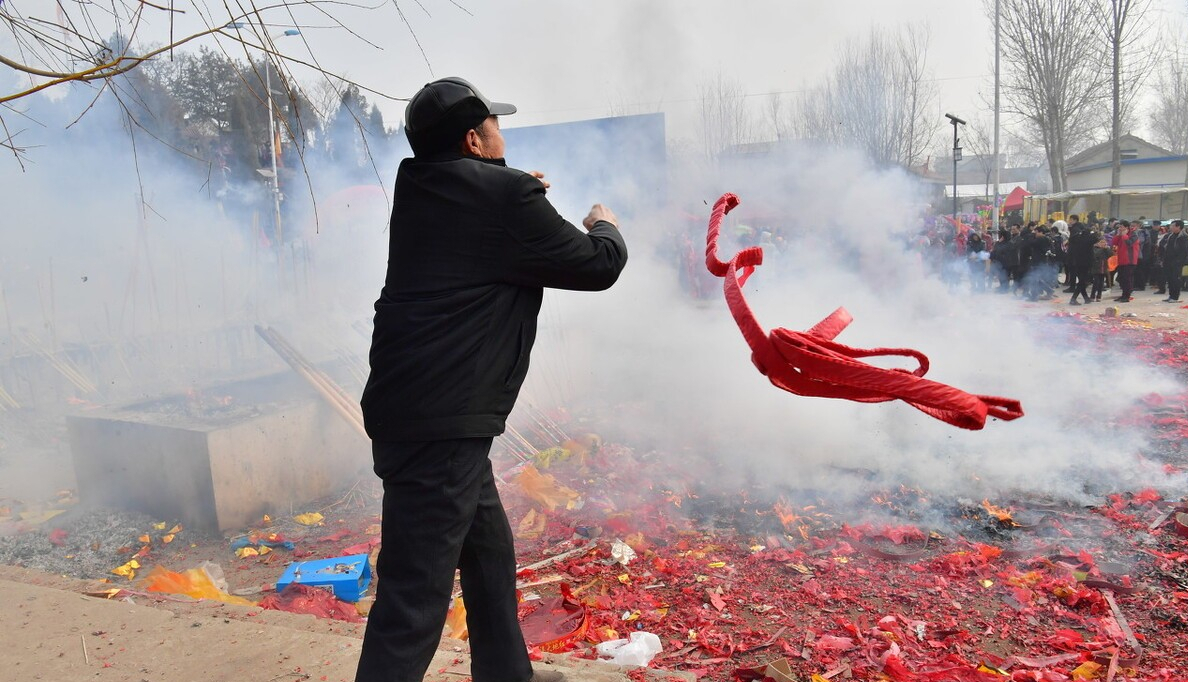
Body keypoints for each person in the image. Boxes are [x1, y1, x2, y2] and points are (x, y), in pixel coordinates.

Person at [356, 77, 628, 682]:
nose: (504, 134)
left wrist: (515, 189)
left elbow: (479, 217)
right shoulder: (502, 197)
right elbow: (597, 266)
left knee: (488, 555)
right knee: (413, 597)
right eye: (496, 127)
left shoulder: (422, 188)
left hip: (423, 413)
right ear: (474, 142)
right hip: (440, 423)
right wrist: (602, 223)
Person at [1111, 221, 1141, 302]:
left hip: (1130, 260)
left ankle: (1127, 296)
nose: (1120, 228)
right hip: (1121, 260)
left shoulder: (1133, 234)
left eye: (1121, 227)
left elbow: (1129, 243)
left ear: (1126, 228)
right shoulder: (1121, 235)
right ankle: (1123, 295)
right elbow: (1114, 243)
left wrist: (1124, 235)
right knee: (1122, 279)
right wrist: (1118, 235)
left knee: (1127, 279)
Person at [1066, 221, 1094, 305]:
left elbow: (1071, 239)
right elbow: (1097, 238)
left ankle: (1086, 298)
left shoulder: (1076, 238)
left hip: (1076, 262)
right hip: (1086, 263)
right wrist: (1092, 232)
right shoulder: (1089, 238)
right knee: (1082, 281)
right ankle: (1073, 299)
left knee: (1082, 280)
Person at [1163, 219, 1188, 302]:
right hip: (1168, 261)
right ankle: (1171, 295)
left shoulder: (1183, 237)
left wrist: (1178, 262)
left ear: (1178, 227)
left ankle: (1175, 297)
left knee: (1175, 279)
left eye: (1173, 226)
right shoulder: (1171, 235)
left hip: (1177, 263)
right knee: (1169, 279)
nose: (1171, 227)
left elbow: (1184, 251)